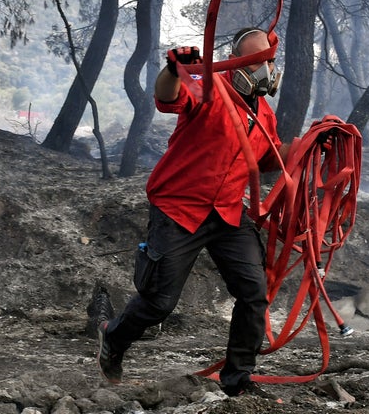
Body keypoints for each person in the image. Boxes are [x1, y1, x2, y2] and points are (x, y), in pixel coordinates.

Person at [97, 28, 291, 398]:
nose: (267, 69)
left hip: (228, 213)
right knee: (159, 302)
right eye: (257, 62)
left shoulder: (264, 112)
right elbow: (166, 96)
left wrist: (315, 143)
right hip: (180, 207)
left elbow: (269, 159)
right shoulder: (208, 85)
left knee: (254, 294)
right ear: (238, 63)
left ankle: (238, 381)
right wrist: (174, 68)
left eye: (269, 61)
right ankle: (114, 337)